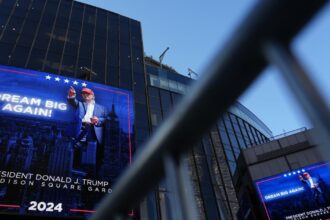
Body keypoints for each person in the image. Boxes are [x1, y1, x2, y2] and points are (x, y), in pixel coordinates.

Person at [67, 86, 106, 174]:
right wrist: (71, 96)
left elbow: (106, 119)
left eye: (87, 94)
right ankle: (73, 169)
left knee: (93, 151)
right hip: (81, 127)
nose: (85, 95)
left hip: (93, 129)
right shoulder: (80, 104)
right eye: (83, 94)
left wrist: (98, 120)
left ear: (93, 95)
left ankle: (91, 171)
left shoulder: (102, 108)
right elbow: (73, 102)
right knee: (76, 147)